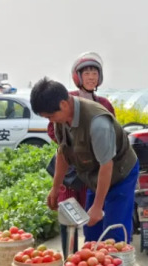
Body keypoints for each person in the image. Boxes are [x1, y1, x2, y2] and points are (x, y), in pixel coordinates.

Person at [31, 78, 138, 244]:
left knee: (114, 234)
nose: (51, 121)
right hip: (94, 174)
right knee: (91, 229)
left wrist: (98, 206)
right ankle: (94, 259)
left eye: (51, 116)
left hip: (120, 173)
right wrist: (55, 188)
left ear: (63, 104)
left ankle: (119, 260)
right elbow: (63, 153)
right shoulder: (62, 119)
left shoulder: (98, 123)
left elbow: (106, 165)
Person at [46, 52, 116, 254]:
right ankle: (69, 256)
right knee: (67, 211)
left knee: (91, 212)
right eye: (87, 73)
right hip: (71, 168)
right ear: (77, 77)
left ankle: (89, 255)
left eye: (95, 73)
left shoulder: (104, 104)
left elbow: (112, 132)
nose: (91, 77)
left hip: (93, 169)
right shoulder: (67, 100)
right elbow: (53, 129)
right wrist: (74, 145)